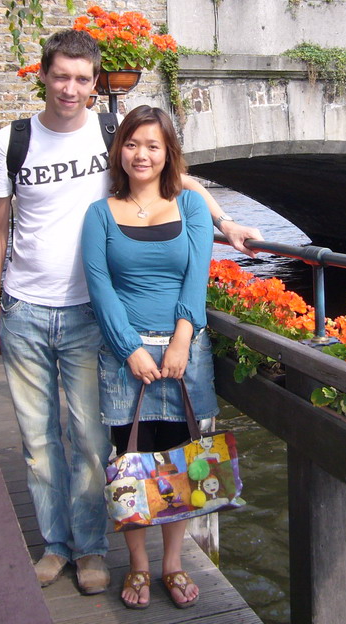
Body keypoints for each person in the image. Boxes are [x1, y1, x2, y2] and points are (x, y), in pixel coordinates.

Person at [0, 29, 260, 593]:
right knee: (38, 444)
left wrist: (225, 222)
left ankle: (89, 550)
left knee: (90, 441)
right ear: (43, 75)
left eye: (83, 79)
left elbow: (172, 175)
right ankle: (56, 546)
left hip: (88, 314)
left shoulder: (109, 133)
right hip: (25, 307)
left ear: (94, 84)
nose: (71, 88)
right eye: (61, 76)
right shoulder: (9, 142)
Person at [81, 105, 216, 610]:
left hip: (184, 350)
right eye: (133, 144)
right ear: (121, 151)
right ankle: (138, 565)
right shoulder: (101, 214)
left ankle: (173, 563)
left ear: (167, 153)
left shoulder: (191, 206)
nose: (142, 154)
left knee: (179, 457)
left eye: (153, 146)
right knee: (130, 458)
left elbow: (195, 276)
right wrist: (130, 348)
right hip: (125, 355)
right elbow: (101, 288)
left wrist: (181, 339)